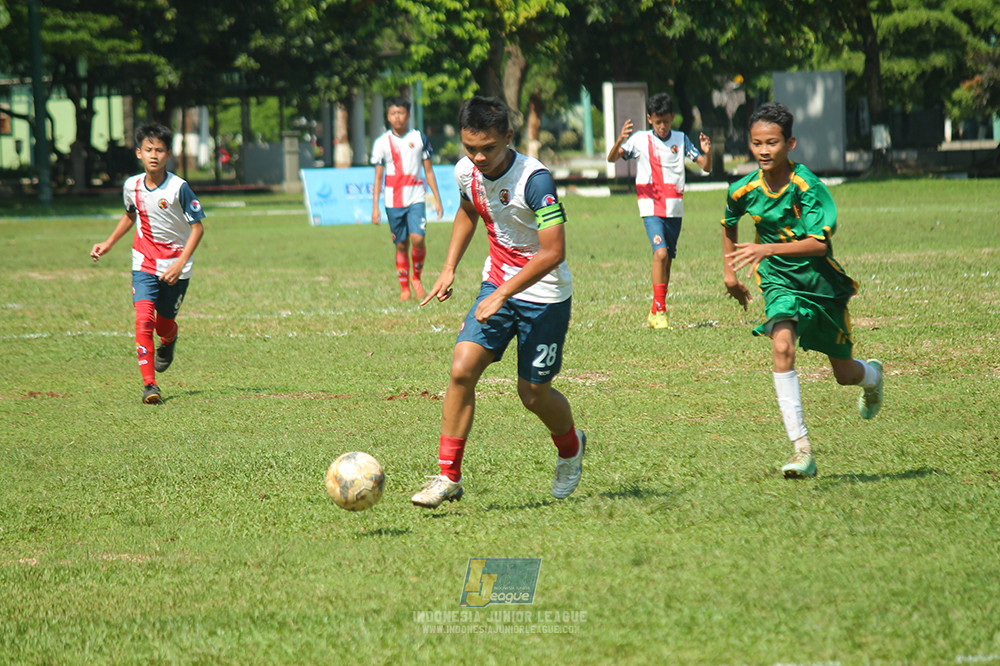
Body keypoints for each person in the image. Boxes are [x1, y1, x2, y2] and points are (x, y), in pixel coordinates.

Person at [411, 96, 585, 508]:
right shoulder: (465, 171)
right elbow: (469, 211)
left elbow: (553, 252)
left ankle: (570, 446)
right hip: (497, 285)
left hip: (544, 296)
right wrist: (449, 266)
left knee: (533, 394)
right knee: (461, 368)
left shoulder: (535, 180)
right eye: (470, 148)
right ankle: (447, 476)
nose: (479, 157)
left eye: (488, 148)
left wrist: (505, 293)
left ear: (508, 137)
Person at [721, 101, 884, 478]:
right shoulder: (742, 188)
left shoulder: (806, 186)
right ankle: (802, 450)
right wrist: (730, 273)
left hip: (821, 284)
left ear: (790, 143)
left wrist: (766, 247)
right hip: (778, 280)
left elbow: (818, 244)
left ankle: (872, 377)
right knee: (782, 346)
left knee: (844, 374)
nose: (764, 150)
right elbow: (729, 221)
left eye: (773, 143)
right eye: (757, 143)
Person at [90, 123, 205, 405]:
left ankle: (170, 339)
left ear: (168, 154)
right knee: (143, 319)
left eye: (160, 150)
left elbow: (198, 228)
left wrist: (180, 264)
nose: (154, 155)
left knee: (164, 323)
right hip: (143, 262)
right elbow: (131, 215)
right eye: (149, 149)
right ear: (139, 153)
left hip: (176, 267)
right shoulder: (132, 185)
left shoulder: (179, 188)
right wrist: (109, 243)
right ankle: (150, 385)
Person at [607, 92, 712, 329]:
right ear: (649, 119)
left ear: (672, 118)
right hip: (650, 206)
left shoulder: (681, 138)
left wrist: (708, 152)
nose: (662, 126)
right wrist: (619, 140)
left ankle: (655, 309)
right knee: (660, 253)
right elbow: (612, 159)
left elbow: (705, 167)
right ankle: (662, 311)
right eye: (657, 122)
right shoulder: (639, 140)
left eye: (666, 121)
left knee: (668, 261)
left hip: (675, 208)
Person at [370, 96, 444, 301]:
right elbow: (378, 177)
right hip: (393, 201)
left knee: (418, 238)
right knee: (401, 244)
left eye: (401, 113)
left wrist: (437, 198)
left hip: (416, 197)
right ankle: (404, 288)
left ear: (408, 115)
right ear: (388, 116)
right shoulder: (381, 143)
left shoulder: (419, 138)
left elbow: (428, 172)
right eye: (393, 113)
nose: (398, 117)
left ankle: (417, 278)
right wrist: (375, 207)